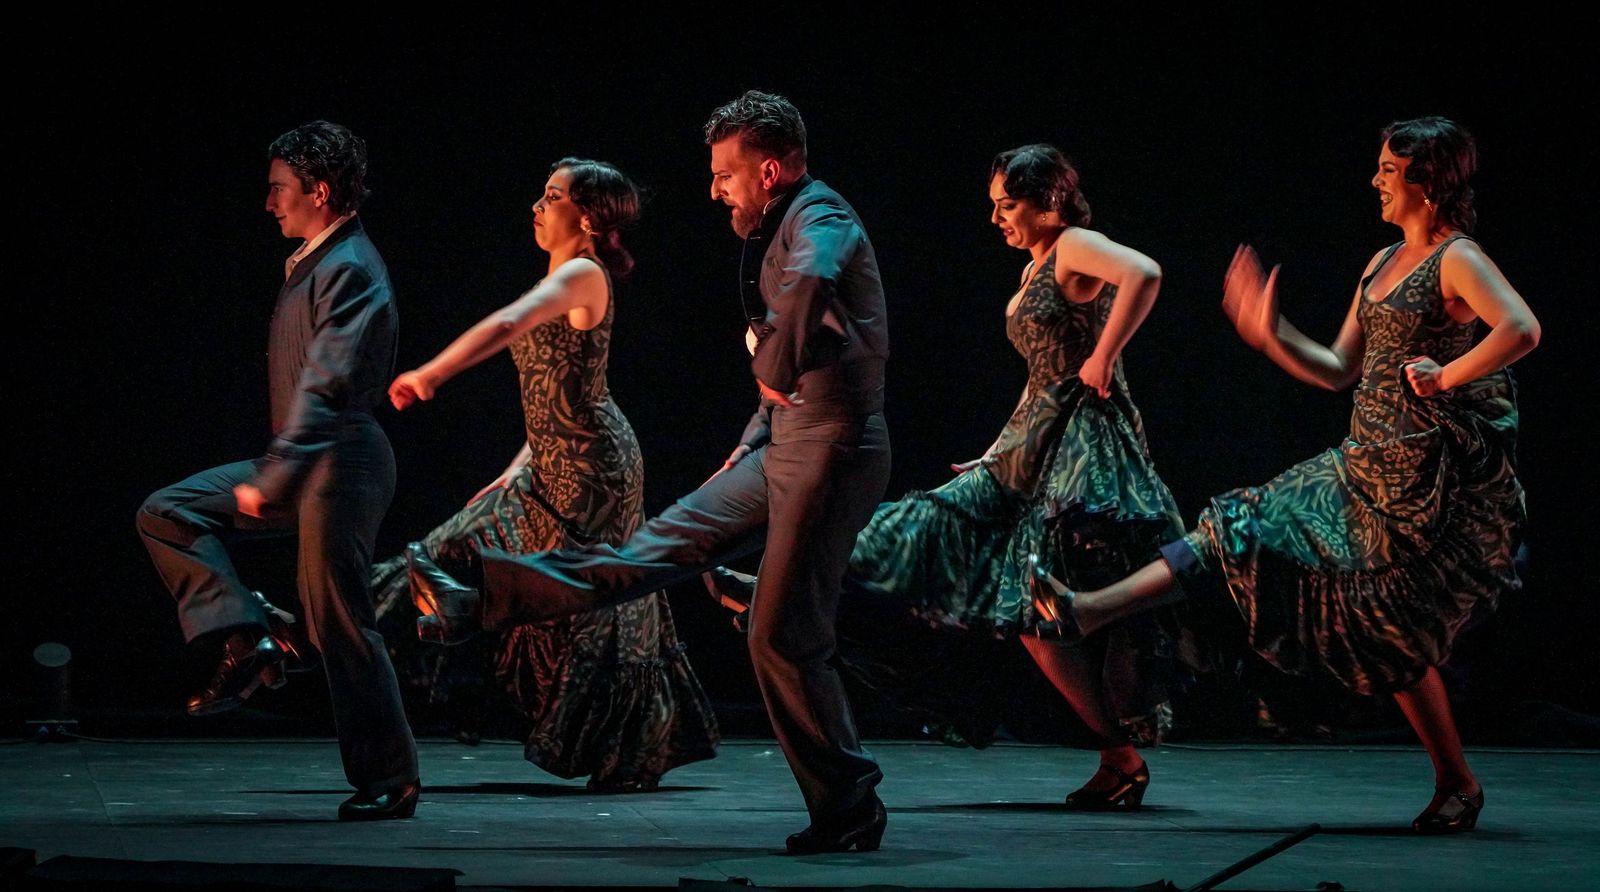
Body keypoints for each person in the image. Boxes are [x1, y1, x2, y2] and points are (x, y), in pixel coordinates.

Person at [1029, 117, 1539, 834]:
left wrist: (1445, 373)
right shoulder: (1382, 261)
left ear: (1426, 183)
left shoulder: (1457, 259)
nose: (1377, 181)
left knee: (1392, 633)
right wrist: (1271, 334)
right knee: (1234, 527)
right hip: (1362, 464)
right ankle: (1090, 608)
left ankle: (1457, 779)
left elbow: (1520, 328)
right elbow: (1338, 368)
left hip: (1422, 491)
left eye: (1389, 172)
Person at [416, 90, 893, 854]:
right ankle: (479, 598)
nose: (715, 189)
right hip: (784, 446)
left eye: (725, 176)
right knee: (648, 552)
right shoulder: (778, 224)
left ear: (768, 171)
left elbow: (813, 288)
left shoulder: (821, 218)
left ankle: (847, 805)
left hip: (833, 454)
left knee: (780, 636)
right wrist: (757, 429)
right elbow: (819, 335)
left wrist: (772, 370)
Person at [712, 144, 1184, 808]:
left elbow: (1144, 271)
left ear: (1049, 198)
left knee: (1034, 612)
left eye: (1007, 205)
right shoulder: (1034, 269)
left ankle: (1120, 756)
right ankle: (782, 586)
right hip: (1032, 439)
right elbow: (1037, 379)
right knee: (938, 530)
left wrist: (1105, 357)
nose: (997, 219)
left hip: (1081, 445)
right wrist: (995, 449)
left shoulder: (1075, 245)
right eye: (993, 207)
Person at [374, 157, 720, 792]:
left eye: (552, 195)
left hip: (596, 472)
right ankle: (319, 642)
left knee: (600, 600)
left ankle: (632, 750)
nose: (537, 205)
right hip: (547, 463)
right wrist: (516, 466)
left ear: (585, 216)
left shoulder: (582, 273)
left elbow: (509, 326)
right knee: (445, 551)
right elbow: (551, 394)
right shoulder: (561, 274)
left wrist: (430, 375)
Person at [135, 120, 420, 820]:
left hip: (339, 459)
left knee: (339, 618)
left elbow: (325, 383)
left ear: (319, 191)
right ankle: (249, 628)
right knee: (167, 511)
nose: (270, 204)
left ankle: (391, 775)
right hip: (305, 456)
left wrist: (275, 476)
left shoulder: (349, 266)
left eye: (279, 190)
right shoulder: (317, 260)